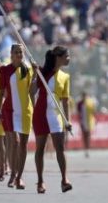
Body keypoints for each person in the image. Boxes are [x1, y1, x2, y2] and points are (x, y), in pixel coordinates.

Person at [33, 45, 73, 194]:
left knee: (60, 148)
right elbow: (32, 90)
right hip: (40, 113)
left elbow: (65, 100)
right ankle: (40, 181)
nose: (69, 59)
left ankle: (64, 180)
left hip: (55, 115)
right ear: (58, 57)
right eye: (66, 56)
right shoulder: (42, 72)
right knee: (40, 148)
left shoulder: (65, 77)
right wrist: (34, 74)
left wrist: (67, 121)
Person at [0, 44, 35, 189]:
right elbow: (1, 91)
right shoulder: (4, 70)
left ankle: (19, 177)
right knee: (15, 142)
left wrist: (36, 74)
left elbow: (32, 91)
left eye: (21, 52)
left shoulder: (28, 69)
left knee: (23, 145)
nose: (19, 54)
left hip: (25, 111)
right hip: (9, 110)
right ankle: (12, 174)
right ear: (11, 54)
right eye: (16, 52)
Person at [77, 90, 96, 158]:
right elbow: (78, 113)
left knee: (88, 135)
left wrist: (95, 120)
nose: (84, 97)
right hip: (83, 121)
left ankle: (87, 149)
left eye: (85, 95)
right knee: (84, 136)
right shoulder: (80, 103)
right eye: (83, 96)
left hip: (89, 121)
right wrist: (79, 120)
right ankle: (85, 149)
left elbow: (94, 112)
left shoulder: (90, 103)